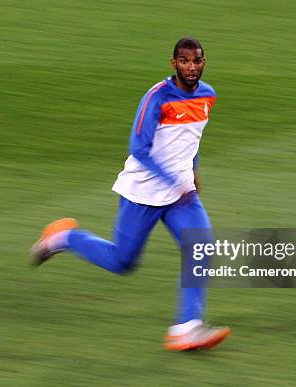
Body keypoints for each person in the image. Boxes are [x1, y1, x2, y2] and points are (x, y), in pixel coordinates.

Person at [31, 37, 230, 351]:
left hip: (181, 194)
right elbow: (138, 149)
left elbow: (190, 140)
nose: (191, 67)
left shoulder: (208, 96)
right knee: (122, 262)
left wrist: (193, 172)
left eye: (197, 61)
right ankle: (63, 238)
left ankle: (187, 327)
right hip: (145, 192)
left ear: (204, 63)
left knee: (201, 246)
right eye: (184, 61)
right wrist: (173, 182)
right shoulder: (157, 98)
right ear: (173, 63)